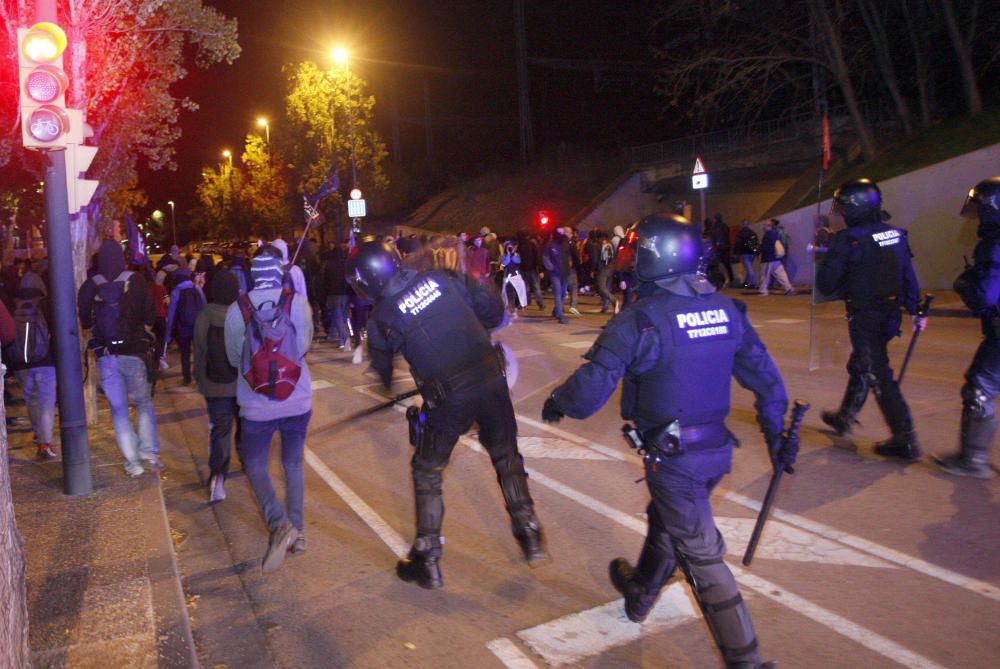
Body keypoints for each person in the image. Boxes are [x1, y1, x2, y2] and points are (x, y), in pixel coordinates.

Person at [541, 212, 790, 669]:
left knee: (702, 556)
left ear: (656, 258)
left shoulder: (640, 320)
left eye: (638, 252)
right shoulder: (727, 310)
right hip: (714, 452)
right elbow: (769, 384)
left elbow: (590, 390)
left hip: (674, 458)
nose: (631, 260)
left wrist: (558, 401)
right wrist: (777, 435)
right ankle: (640, 595)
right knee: (667, 521)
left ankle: (747, 661)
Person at [347, 238, 549, 590]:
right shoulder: (443, 277)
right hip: (490, 379)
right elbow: (493, 312)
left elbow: (383, 376)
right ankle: (528, 532)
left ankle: (427, 557)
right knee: (506, 456)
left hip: (450, 397)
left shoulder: (382, 317)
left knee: (427, 470)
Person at [817, 178, 926, 461]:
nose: (840, 213)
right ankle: (845, 416)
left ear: (855, 207)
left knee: (879, 375)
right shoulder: (895, 234)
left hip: (865, 315)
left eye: (843, 207)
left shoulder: (848, 239)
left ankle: (906, 440)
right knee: (862, 365)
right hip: (890, 315)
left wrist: (827, 253)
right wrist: (916, 310)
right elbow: (908, 274)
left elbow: (827, 283)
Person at [224, 246, 314, 572]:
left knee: (256, 465)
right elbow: (303, 348)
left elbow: (236, 358)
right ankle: (299, 533)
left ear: (253, 274)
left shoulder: (238, 310)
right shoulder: (298, 304)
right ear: (279, 271)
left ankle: (280, 524)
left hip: (256, 404)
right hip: (297, 400)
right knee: (292, 465)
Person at [78, 240, 161, 477]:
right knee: (144, 404)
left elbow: (85, 320)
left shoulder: (90, 286)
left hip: (106, 356)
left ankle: (133, 464)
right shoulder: (135, 281)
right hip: (135, 354)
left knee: (119, 412)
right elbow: (149, 314)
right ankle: (148, 453)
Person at [936, 177, 1000, 478]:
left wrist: (966, 284)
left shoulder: (995, 244)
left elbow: (986, 295)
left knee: (980, 387)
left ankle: (973, 460)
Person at [194, 269, 242, 503]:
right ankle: (247, 460)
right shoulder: (242, 313)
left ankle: (218, 476)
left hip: (214, 384)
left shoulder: (205, 314)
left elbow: (200, 350)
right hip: (241, 384)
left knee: (220, 431)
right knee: (244, 425)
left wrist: (199, 381)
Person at [6, 272, 57, 460]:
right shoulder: (45, 302)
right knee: (46, 401)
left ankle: (39, 434)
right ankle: (45, 442)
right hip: (45, 361)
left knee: (32, 400)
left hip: (21, 363)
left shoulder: (13, 303)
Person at [164, 267, 205, 385]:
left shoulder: (176, 291)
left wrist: (169, 334)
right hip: (197, 327)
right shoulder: (196, 289)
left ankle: (187, 378)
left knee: (185, 353)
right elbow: (204, 308)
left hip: (183, 328)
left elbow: (171, 314)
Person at [542, 227, 571, 324]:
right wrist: (551, 267)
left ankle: (557, 311)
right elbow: (545, 257)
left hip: (565, 272)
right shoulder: (550, 245)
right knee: (558, 293)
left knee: (562, 293)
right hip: (555, 273)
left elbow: (569, 256)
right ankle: (560, 314)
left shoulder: (566, 243)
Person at [758, 220, 794, 296]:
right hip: (776, 258)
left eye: (765, 225)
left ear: (769, 226)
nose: (763, 227)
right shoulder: (776, 234)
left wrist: (760, 248)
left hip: (768, 258)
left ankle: (763, 290)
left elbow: (767, 247)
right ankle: (788, 288)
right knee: (781, 274)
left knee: (765, 275)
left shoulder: (768, 235)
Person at [734, 219, 759, 289]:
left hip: (746, 253)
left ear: (742, 225)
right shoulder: (753, 233)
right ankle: (747, 283)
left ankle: (753, 283)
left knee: (749, 268)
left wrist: (736, 252)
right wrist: (757, 252)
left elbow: (738, 244)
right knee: (749, 267)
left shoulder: (741, 233)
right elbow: (756, 243)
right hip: (752, 253)